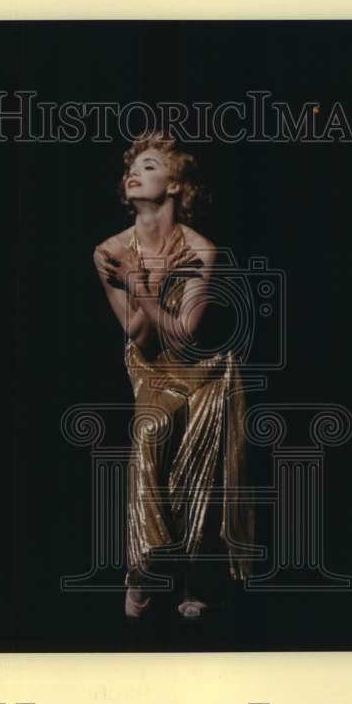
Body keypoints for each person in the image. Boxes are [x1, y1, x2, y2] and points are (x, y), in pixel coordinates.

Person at [92, 132, 254, 619]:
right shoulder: (109, 249)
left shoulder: (202, 250)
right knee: (151, 430)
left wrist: (142, 283)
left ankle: (194, 578)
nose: (133, 173)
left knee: (197, 455)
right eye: (131, 168)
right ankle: (141, 568)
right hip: (150, 368)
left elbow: (185, 334)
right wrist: (141, 286)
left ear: (177, 184)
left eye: (149, 165)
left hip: (201, 367)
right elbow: (138, 336)